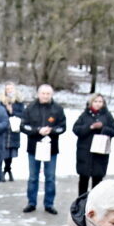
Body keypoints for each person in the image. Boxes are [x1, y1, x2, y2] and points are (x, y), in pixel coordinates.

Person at [20, 84, 65, 215]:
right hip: (34, 147)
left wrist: (52, 130)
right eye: (43, 93)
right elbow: (23, 126)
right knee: (33, 177)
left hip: (51, 148)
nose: (45, 96)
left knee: (50, 177)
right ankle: (31, 202)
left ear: (51, 94)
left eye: (48, 94)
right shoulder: (30, 108)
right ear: (38, 94)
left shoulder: (58, 109)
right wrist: (37, 130)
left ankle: (49, 204)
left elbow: (63, 127)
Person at [72, 93, 114, 196]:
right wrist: (90, 127)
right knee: (83, 180)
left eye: (100, 102)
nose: (98, 104)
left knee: (97, 182)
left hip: (100, 153)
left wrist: (103, 128)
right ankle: (82, 205)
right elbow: (76, 129)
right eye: (95, 101)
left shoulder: (107, 116)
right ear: (91, 103)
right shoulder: (84, 115)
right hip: (85, 152)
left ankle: (95, 206)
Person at [0, 82, 25, 182]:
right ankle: (2, 171)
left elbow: (22, 114)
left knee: (11, 151)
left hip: (14, 129)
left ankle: (8, 169)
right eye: (7, 89)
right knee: (3, 150)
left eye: (11, 89)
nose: (9, 91)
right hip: (4, 129)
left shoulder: (19, 102)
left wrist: (12, 112)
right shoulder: (1, 102)